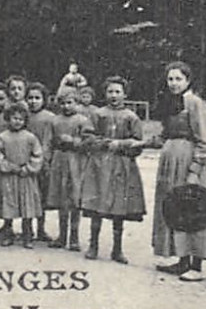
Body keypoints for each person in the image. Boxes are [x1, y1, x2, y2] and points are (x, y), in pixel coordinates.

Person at [151, 61, 206, 281]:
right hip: (170, 164)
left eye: (178, 79)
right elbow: (165, 134)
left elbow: (205, 141)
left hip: (187, 163)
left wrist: (194, 170)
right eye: (170, 79)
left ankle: (196, 266)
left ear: (188, 81)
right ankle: (182, 261)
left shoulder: (195, 103)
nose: (173, 83)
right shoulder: (171, 103)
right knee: (174, 208)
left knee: (192, 208)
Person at [80, 76, 147, 262]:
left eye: (118, 91)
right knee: (98, 205)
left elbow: (138, 143)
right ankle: (93, 245)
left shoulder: (131, 117)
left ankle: (117, 249)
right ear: (105, 93)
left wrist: (122, 144)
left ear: (125, 94)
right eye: (110, 91)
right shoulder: (97, 114)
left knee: (119, 206)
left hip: (122, 167)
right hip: (100, 165)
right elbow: (87, 137)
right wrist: (105, 143)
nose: (114, 95)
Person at [46, 88, 94, 250]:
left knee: (74, 200)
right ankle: (62, 236)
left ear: (77, 103)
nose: (66, 106)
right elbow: (49, 142)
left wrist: (73, 140)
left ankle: (74, 237)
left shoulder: (83, 120)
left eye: (70, 102)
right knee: (62, 200)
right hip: (59, 161)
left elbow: (89, 142)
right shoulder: (55, 121)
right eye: (63, 103)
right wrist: (47, 159)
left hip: (76, 161)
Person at [0, 103, 44, 249]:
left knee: (27, 207)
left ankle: (27, 236)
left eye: (21, 119)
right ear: (8, 119)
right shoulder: (2, 137)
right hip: (8, 177)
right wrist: (9, 167)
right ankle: (8, 234)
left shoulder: (31, 137)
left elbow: (38, 155)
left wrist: (28, 168)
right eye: (14, 118)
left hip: (25, 177)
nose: (17, 122)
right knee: (8, 206)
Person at [24, 83, 59, 241]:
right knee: (27, 196)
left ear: (44, 100)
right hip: (26, 161)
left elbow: (50, 141)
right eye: (30, 98)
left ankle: (41, 229)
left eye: (37, 98)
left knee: (41, 197)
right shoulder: (24, 115)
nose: (33, 101)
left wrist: (46, 160)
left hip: (43, 162)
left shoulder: (50, 118)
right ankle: (27, 229)